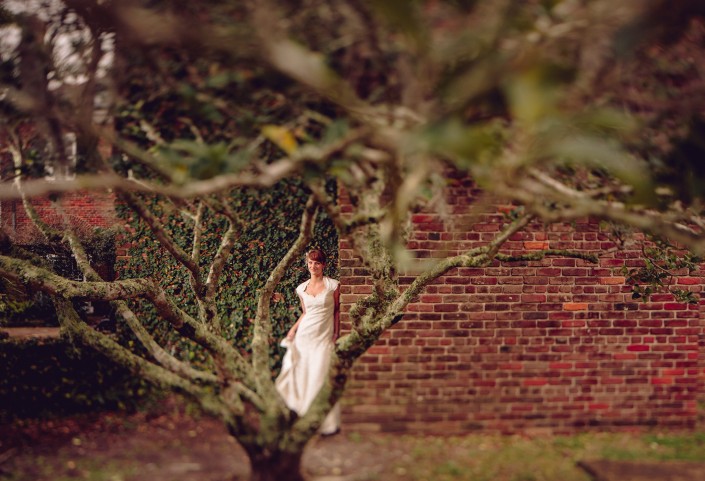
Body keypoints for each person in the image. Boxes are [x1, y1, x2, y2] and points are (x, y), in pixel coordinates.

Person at [275, 248, 341, 436]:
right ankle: (303, 418)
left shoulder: (333, 286)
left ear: (323, 265)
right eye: (310, 263)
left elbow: (336, 311)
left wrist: (336, 333)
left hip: (323, 338)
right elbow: (305, 313)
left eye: (317, 263)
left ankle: (323, 423)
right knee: (302, 375)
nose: (313, 266)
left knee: (319, 376)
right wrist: (293, 330)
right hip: (304, 336)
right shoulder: (301, 289)